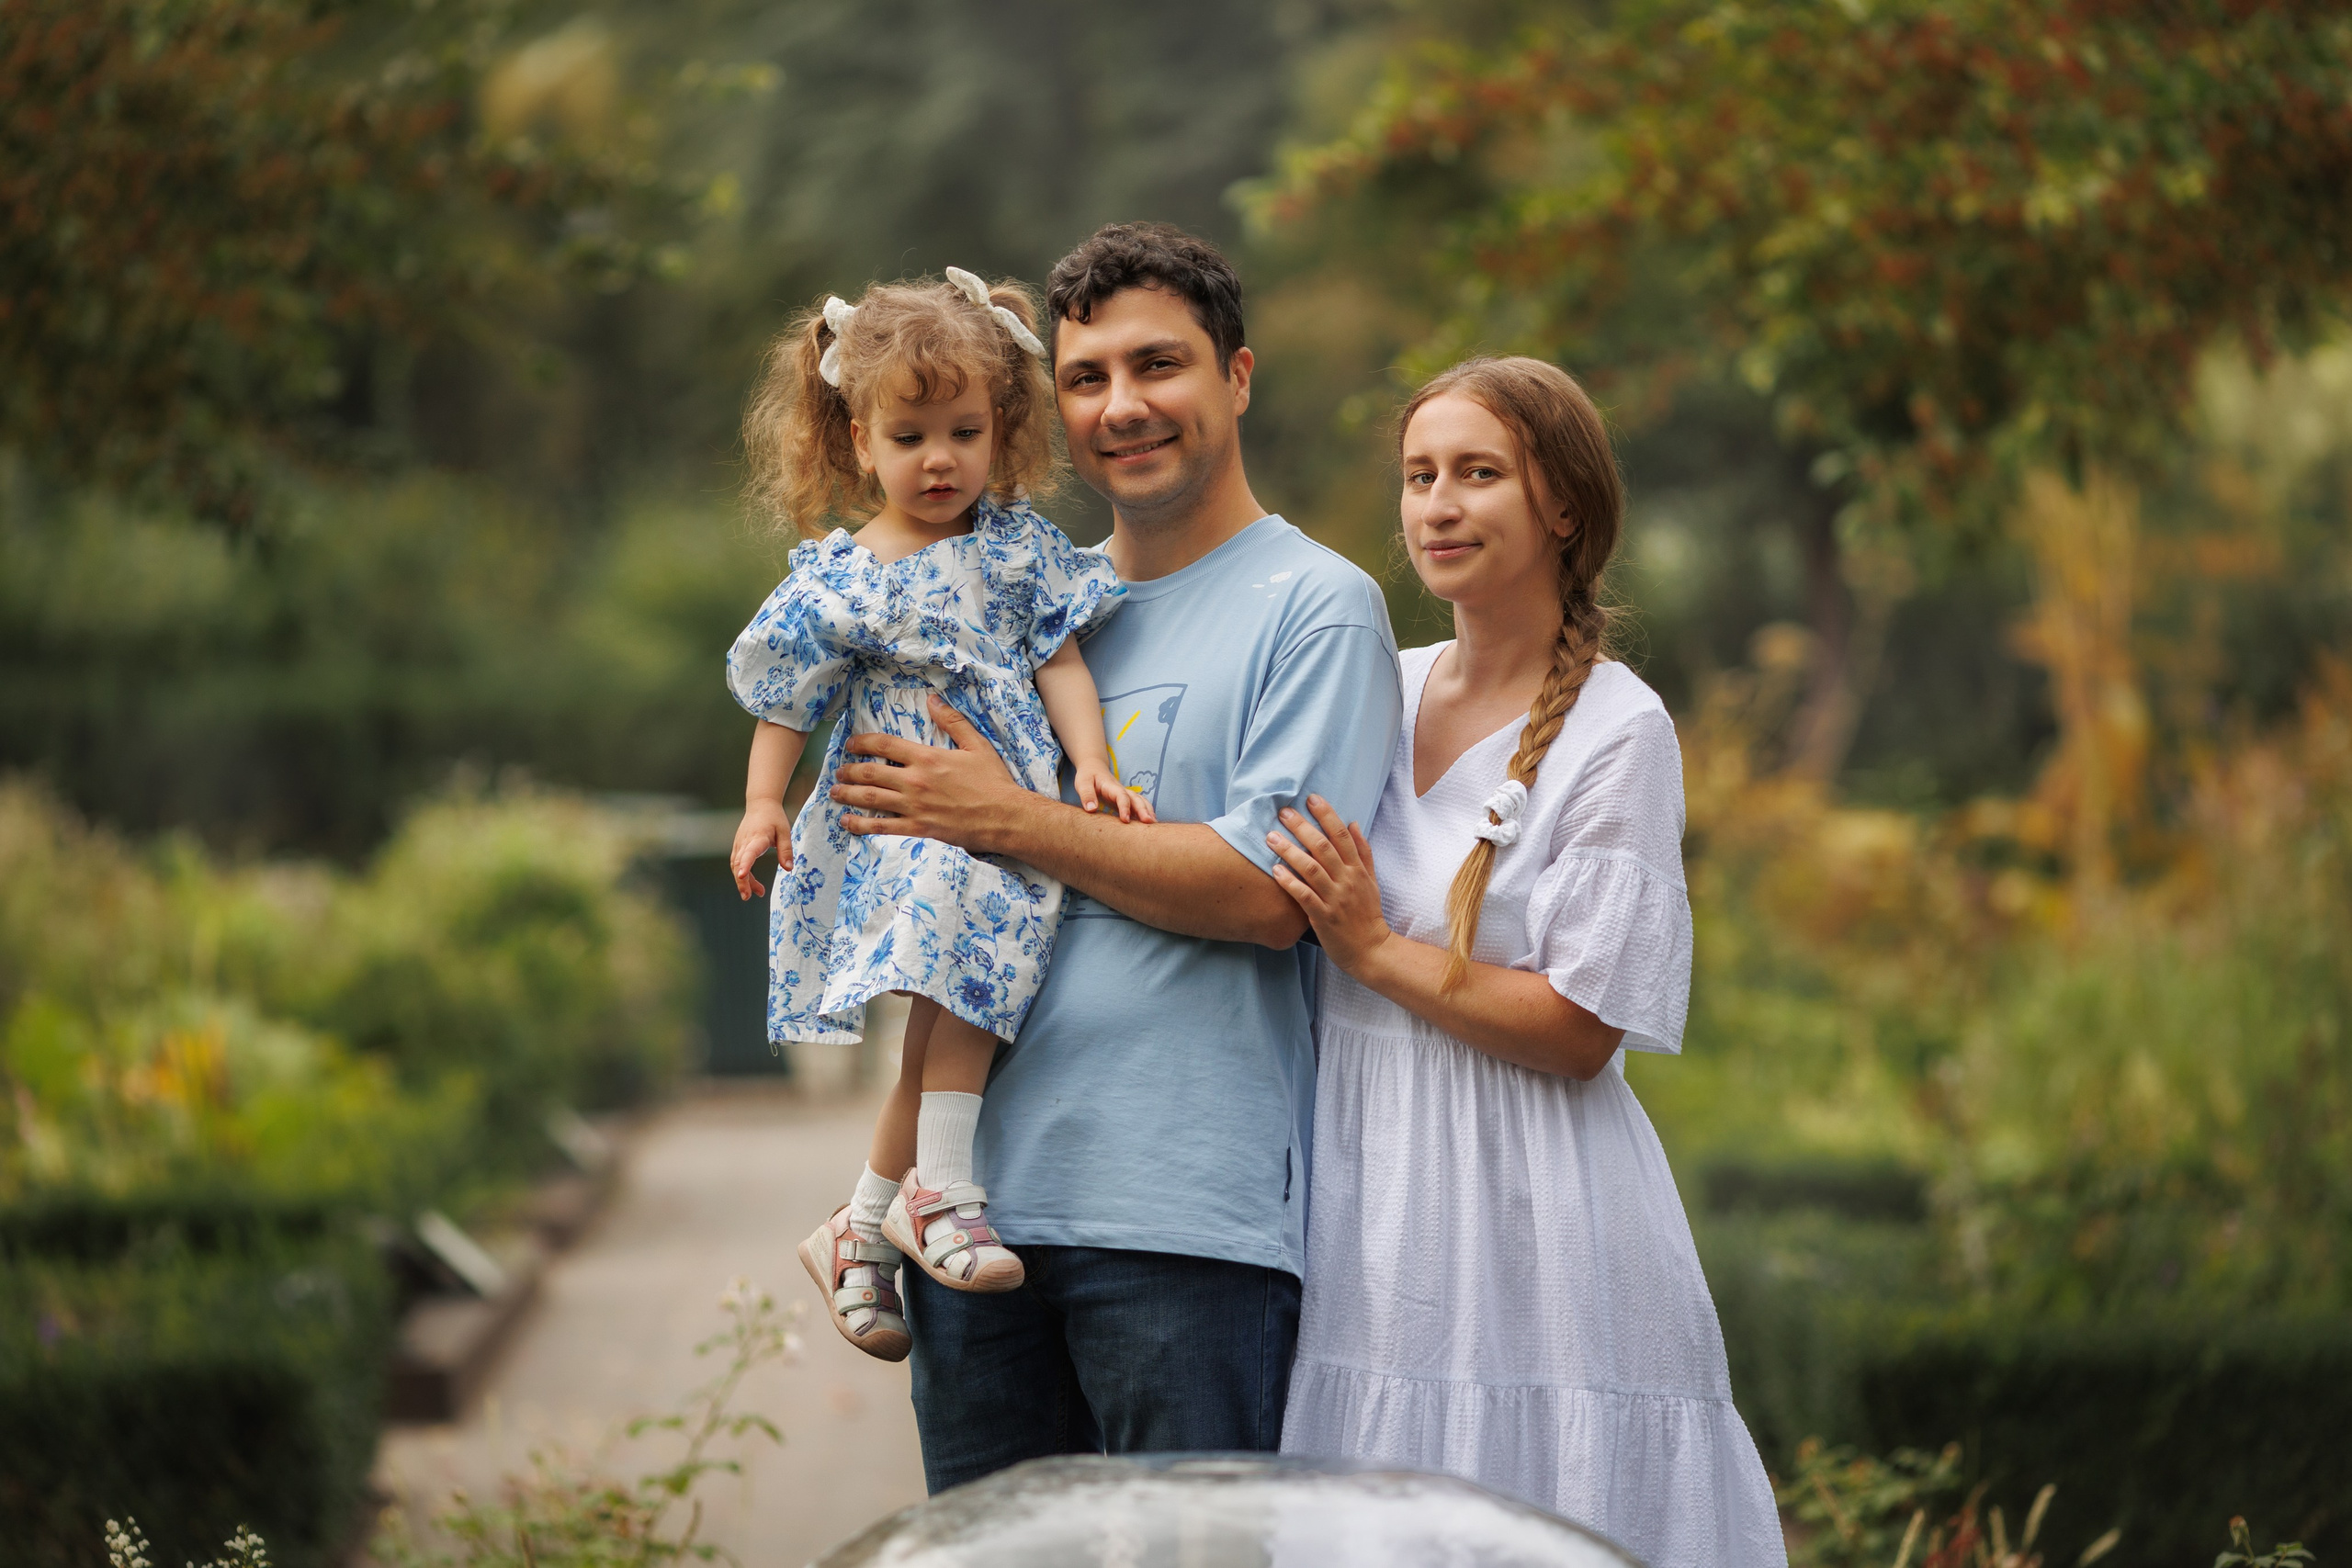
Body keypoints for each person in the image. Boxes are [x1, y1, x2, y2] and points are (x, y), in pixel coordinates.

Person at [820, 223, 1403, 1488]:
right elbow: (927, 897)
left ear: (1236, 377)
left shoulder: (1318, 605)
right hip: (967, 1216)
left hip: (1183, 1226)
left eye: (1158, 365)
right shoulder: (1013, 597)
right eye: (1086, 378)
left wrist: (1010, 816)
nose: (1121, 406)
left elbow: (1268, 895)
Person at [1266, 357, 1787, 1567]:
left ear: (1562, 505)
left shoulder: (1619, 727)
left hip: (1533, 1217)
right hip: (1361, 1195)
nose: (1438, 505)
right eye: (1419, 477)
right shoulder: (1372, 685)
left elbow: (1578, 1027)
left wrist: (1373, 948)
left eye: (1478, 473)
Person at [725, 268, 1152, 1365]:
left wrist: (1092, 766)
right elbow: (786, 699)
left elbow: (1059, 659)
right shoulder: (845, 578)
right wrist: (763, 804)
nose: (939, 459)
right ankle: (941, 1193)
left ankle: (862, 1227)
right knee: (960, 987)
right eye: (909, 437)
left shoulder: (1014, 548)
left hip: (1005, 805)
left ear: (1000, 431)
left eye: (964, 432)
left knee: (963, 1003)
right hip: (903, 817)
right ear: (858, 441)